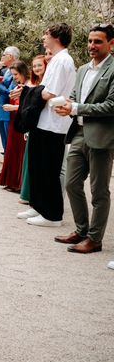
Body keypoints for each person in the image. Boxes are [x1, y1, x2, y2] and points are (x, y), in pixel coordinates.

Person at [54, 23, 114, 256]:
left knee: (99, 191)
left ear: (111, 43)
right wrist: (66, 106)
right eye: (90, 41)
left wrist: (77, 107)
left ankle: (94, 238)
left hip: (101, 137)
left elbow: (111, 105)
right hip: (78, 133)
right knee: (71, 183)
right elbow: (74, 96)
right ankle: (81, 230)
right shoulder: (82, 69)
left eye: (97, 41)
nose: (92, 46)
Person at [18, 23, 76, 227]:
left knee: (48, 170)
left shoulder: (62, 61)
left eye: (46, 34)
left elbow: (49, 92)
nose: (43, 37)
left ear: (57, 37)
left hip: (53, 124)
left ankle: (52, 215)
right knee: (37, 167)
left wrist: (28, 92)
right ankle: (38, 206)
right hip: (44, 122)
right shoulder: (57, 60)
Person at [18, 55, 47, 205]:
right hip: (32, 124)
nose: (36, 69)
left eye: (39, 66)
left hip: (44, 124)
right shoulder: (31, 83)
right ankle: (26, 194)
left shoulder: (48, 83)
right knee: (29, 159)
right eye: (34, 66)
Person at [0, 60, 29, 192]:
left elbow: (28, 106)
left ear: (23, 72)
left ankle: (18, 182)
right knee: (11, 150)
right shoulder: (18, 86)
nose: (14, 77)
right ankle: (10, 181)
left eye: (15, 74)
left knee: (19, 152)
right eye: (13, 74)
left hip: (20, 121)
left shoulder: (28, 86)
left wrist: (13, 107)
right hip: (12, 120)